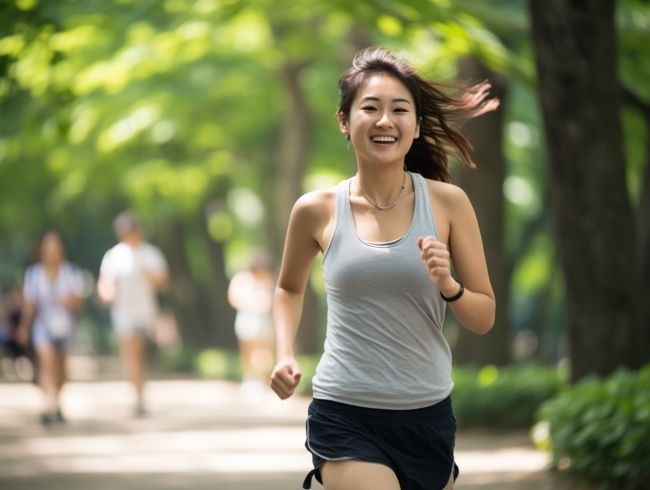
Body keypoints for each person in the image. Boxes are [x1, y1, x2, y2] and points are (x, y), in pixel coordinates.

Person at [270, 47, 498, 490]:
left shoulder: (448, 204)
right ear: (344, 120)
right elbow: (288, 288)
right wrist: (284, 352)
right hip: (344, 414)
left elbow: (484, 317)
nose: (384, 121)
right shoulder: (315, 210)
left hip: (427, 417)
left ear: (414, 126)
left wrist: (449, 285)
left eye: (399, 110)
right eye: (369, 108)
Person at [97, 212, 169, 416]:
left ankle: (140, 390)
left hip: (146, 312)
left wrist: (150, 275)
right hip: (123, 314)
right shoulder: (114, 255)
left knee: (140, 353)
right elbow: (105, 284)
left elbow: (164, 282)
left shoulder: (151, 253)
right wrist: (107, 293)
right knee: (132, 352)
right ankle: (137, 396)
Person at [17, 231, 84, 424]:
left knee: (62, 370)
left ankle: (56, 400)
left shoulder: (70, 272)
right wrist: (24, 327)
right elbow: (29, 305)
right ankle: (49, 405)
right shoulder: (33, 274)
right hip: (42, 326)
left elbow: (79, 302)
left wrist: (71, 300)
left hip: (65, 327)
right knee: (47, 363)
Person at [227, 250, 275, 400]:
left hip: (263, 321)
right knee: (248, 352)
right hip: (247, 319)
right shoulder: (242, 279)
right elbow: (233, 298)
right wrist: (252, 303)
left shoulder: (269, 280)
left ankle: (261, 380)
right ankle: (250, 380)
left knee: (264, 352)